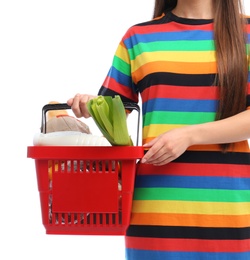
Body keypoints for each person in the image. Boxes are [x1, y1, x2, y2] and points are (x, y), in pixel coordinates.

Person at [67, 0, 250, 258]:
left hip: (227, 211)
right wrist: (89, 105)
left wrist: (189, 135)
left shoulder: (247, 33)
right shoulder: (138, 37)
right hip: (153, 211)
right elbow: (114, 114)